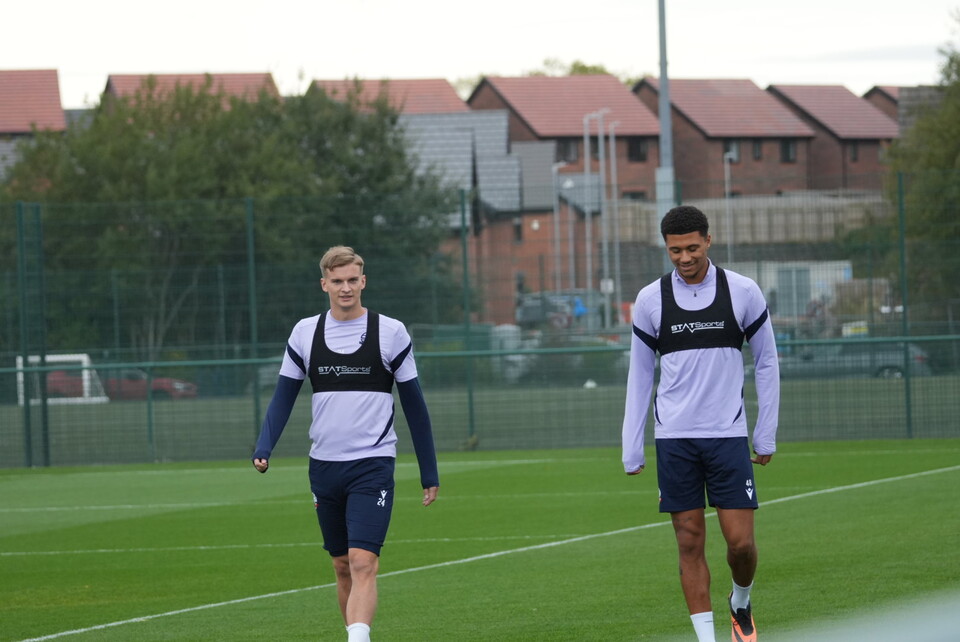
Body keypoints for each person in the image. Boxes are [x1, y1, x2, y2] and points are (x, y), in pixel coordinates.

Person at [252, 245, 440, 642]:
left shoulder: (391, 332)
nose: (346, 288)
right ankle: (353, 631)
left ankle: (358, 638)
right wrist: (264, 446)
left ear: (363, 281)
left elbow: (415, 407)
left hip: (373, 464)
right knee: (341, 565)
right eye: (337, 281)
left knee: (363, 561)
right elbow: (283, 395)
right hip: (323, 466)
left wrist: (429, 471)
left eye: (353, 279)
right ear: (324, 284)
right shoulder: (304, 332)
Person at [621, 206, 779, 642]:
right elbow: (640, 376)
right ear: (666, 247)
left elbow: (767, 362)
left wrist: (765, 432)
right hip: (674, 439)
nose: (684, 258)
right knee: (689, 541)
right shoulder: (650, 299)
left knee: (740, 544)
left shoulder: (743, 291)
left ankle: (741, 603)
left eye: (692, 247)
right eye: (675, 250)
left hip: (728, 436)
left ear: (708, 240)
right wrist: (631, 446)